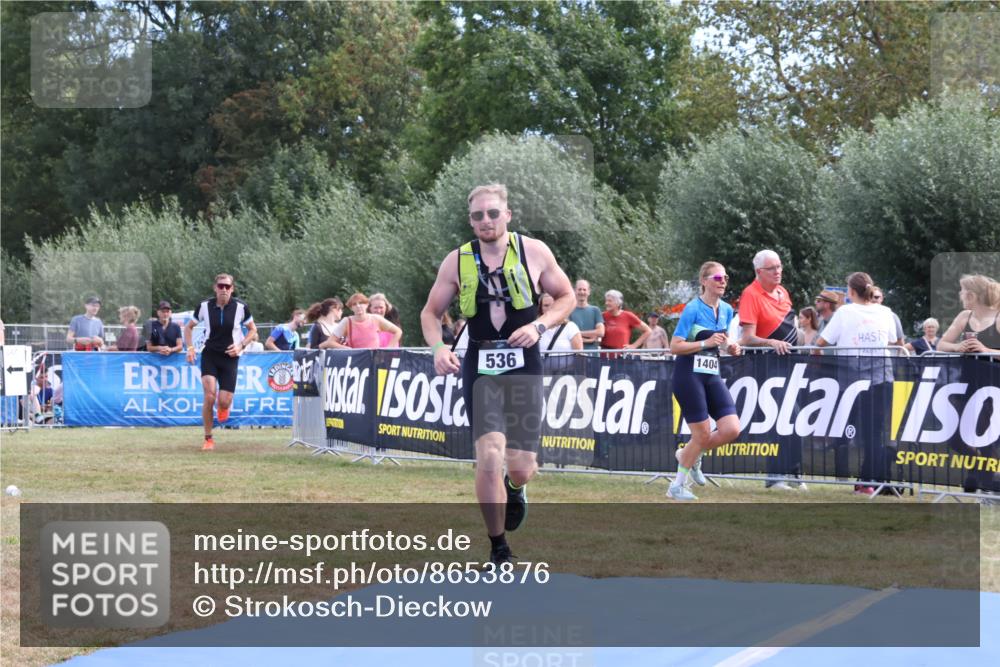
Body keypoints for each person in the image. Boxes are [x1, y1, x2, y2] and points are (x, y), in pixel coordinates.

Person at [420, 183, 574, 565]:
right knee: (488, 453)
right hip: (480, 363)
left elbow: (567, 298)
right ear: (470, 221)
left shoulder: (534, 251)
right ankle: (499, 547)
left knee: (521, 466)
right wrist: (439, 348)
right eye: (478, 215)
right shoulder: (456, 261)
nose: (486, 220)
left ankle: (515, 487)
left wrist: (539, 326)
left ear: (507, 215)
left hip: (524, 363)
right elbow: (429, 312)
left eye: (493, 213)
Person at [816, 272, 899, 495]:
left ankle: (866, 481)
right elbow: (893, 340)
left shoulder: (844, 312)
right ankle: (868, 480)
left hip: (852, 380)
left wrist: (816, 363)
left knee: (850, 430)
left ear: (851, 292)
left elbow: (821, 342)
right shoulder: (885, 312)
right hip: (882, 377)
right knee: (875, 432)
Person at [667, 262, 743, 501]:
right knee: (701, 435)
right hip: (688, 375)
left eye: (726, 277)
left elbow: (723, 341)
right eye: (718, 277)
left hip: (711, 374)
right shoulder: (692, 309)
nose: (723, 281)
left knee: (731, 429)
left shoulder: (727, 310)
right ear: (704, 281)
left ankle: (691, 452)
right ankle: (676, 487)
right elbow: (674, 346)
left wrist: (731, 346)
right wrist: (704, 343)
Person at [738, 249, 803, 489]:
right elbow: (747, 338)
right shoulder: (750, 294)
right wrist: (771, 342)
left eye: (779, 267)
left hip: (790, 364)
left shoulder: (783, 292)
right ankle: (775, 477)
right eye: (772, 268)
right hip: (767, 365)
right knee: (782, 418)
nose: (778, 272)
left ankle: (794, 473)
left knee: (797, 418)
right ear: (759, 272)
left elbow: (791, 325)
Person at [184, 274, 257, 451]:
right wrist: (190, 348)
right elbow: (188, 327)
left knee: (224, 401)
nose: (224, 290)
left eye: (227, 286)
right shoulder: (204, 307)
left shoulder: (241, 307)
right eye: (221, 286)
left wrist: (241, 345)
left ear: (232, 289)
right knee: (209, 396)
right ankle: (208, 438)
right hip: (210, 354)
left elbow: (253, 330)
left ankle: (223, 407)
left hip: (230, 357)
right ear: (215, 288)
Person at [937, 274, 1000, 355]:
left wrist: (986, 350)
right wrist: (956, 347)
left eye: (962, 291)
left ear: (971, 296)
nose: (960, 295)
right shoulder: (964, 316)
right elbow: (940, 345)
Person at [331, 293, 402, 349]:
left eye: (381, 307)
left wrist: (387, 350)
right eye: (375, 308)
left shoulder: (391, 329)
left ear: (386, 308)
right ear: (369, 308)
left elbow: (395, 349)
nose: (378, 310)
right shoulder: (355, 323)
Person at [569, 279, 605, 350]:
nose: (582, 292)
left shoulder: (595, 310)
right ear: (574, 291)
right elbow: (567, 334)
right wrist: (590, 339)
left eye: (584, 290)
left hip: (592, 354)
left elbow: (601, 332)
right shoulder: (569, 310)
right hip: (574, 353)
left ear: (589, 292)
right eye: (579, 289)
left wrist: (577, 334)